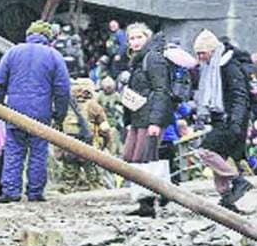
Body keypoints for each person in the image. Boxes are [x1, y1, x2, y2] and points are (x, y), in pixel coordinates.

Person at [0, 20, 71, 202]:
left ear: (29, 35)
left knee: (13, 151)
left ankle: (11, 192)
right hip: (40, 114)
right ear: (48, 37)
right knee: (38, 153)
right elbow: (63, 90)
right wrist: (59, 115)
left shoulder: (12, 52)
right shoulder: (54, 56)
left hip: (14, 112)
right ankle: (35, 192)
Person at [191, 29, 253, 212]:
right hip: (223, 119)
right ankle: (227, 198)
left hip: (231, 120)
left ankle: (237, 181)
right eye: (198, 54)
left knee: (205, 151)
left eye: (202, 52)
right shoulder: (213, 66)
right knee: (218, 156)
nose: (200, 57)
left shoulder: (229, 66)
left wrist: (235, 121)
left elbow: (239, 95)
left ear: (212, 50)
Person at [121, 23, 174, 217]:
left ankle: (151, 200)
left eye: (138, 38)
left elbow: (161, 90)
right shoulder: (139, 59)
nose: (134, 42)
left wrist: (155, 122)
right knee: (131, 157)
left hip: (149, 116)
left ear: (147, 38)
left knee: (143, 158)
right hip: (139, 116)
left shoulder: (152, 59)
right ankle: (153, 196)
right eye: (131, 39)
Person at [59, 78, 110, 192]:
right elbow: (105, 128)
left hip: (68, 146)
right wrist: (105, 144)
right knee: (94, 178)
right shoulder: (94, 106)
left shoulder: (65, 105)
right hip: (88, 146)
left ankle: (69, 192)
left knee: (69, 177)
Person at [95, 76, 125, 157]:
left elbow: (121, 106)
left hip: (113, 121)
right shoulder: (100, 95)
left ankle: (115, 152)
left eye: (110, 87)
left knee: (114, 134)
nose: (108, 89)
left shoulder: (116, 95)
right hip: (103, 120)